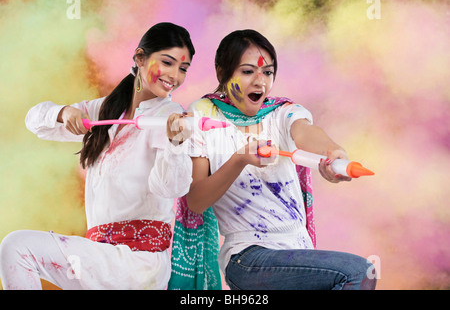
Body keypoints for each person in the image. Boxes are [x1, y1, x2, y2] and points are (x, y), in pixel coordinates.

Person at [0, 22, 195, 290]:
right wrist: (65, 113)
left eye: (183, 69)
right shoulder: (104, 110)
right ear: (139, 57)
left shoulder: (169, 116)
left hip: (138, 265)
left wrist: (176, 143)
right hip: (97, 259)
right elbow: (34, 121)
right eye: (167, 62)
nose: (174, 75)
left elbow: (171, 188)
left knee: (18, 247)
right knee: (16, 249)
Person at [177, 29, 376, 290]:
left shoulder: (280, 112)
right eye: (248, 71)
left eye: (268, 72)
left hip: (298, 252)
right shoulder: (202, 118)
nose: (260, 81)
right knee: (360, 272)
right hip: (247, 257)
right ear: (221, 71)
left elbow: (304, 131)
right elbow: (196, 201)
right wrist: (240, 159)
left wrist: (333, 151)